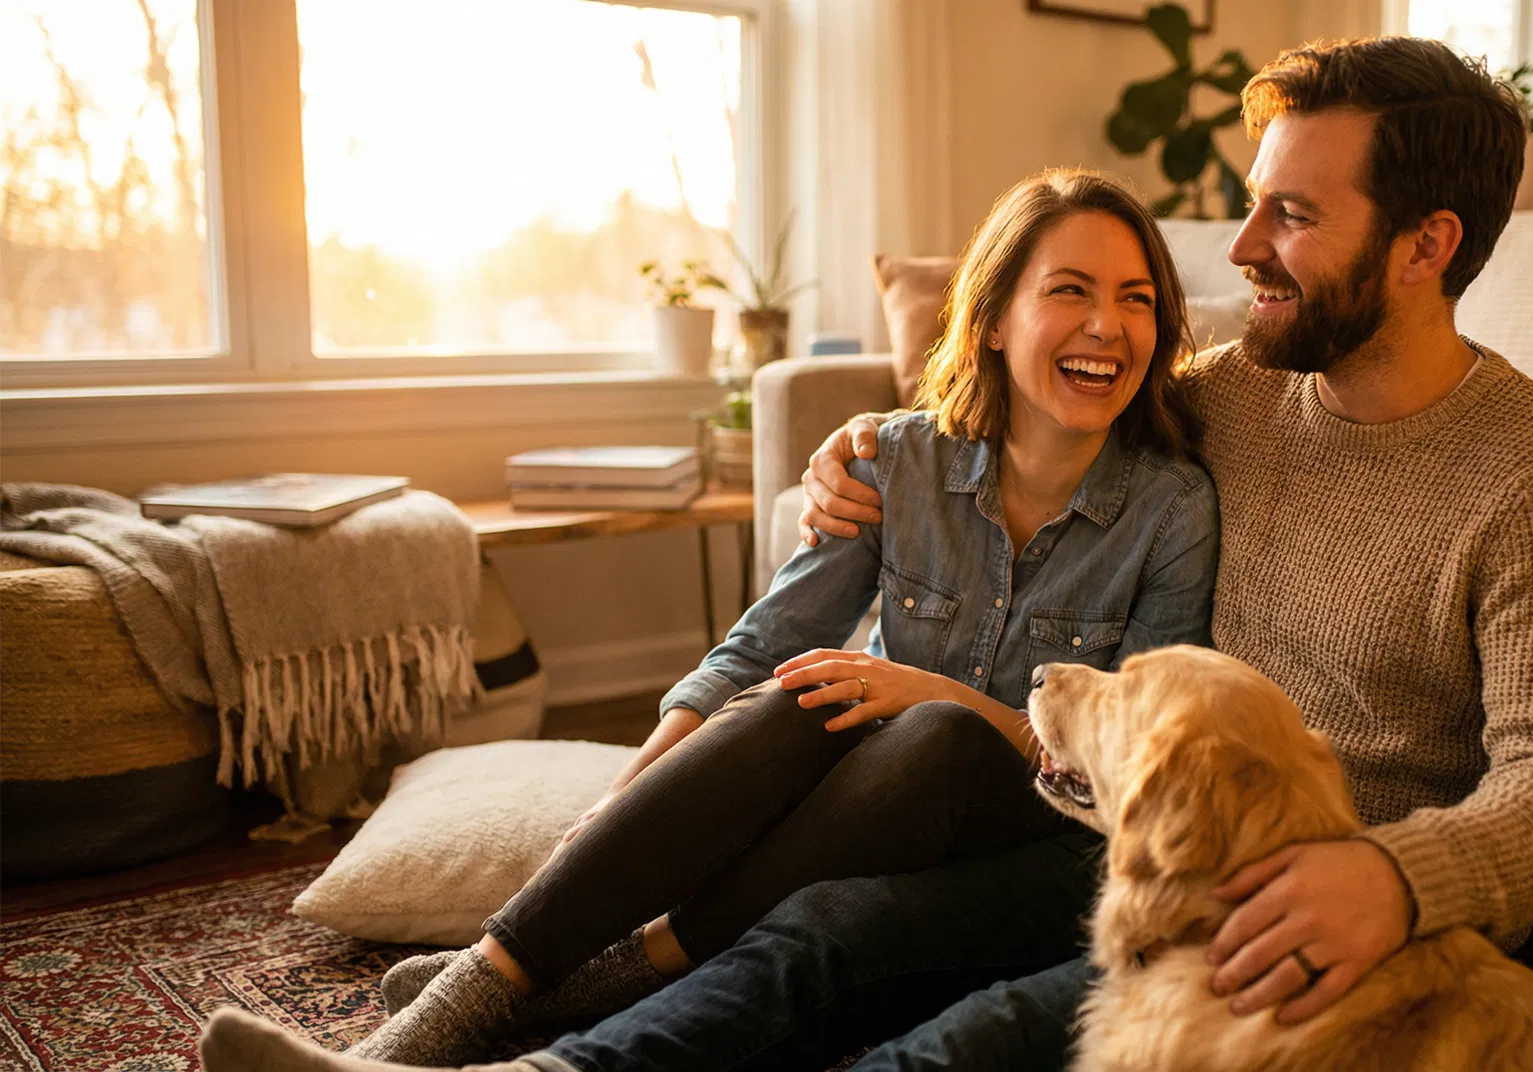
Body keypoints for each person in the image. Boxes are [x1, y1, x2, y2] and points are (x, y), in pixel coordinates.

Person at [195, 169, 1219, 1071]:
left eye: (1135, 300)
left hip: (1048, 830)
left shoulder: (1172, 509)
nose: (1107, 326)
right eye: (1070, 291)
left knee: (937, 731)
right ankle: (474, 989)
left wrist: (937, 692)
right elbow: (759, 643)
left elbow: (1127, 760)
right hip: (888, 808)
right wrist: (614, 809)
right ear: (996, 317)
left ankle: (589, 986)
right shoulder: (895, 460)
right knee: (797, 689)